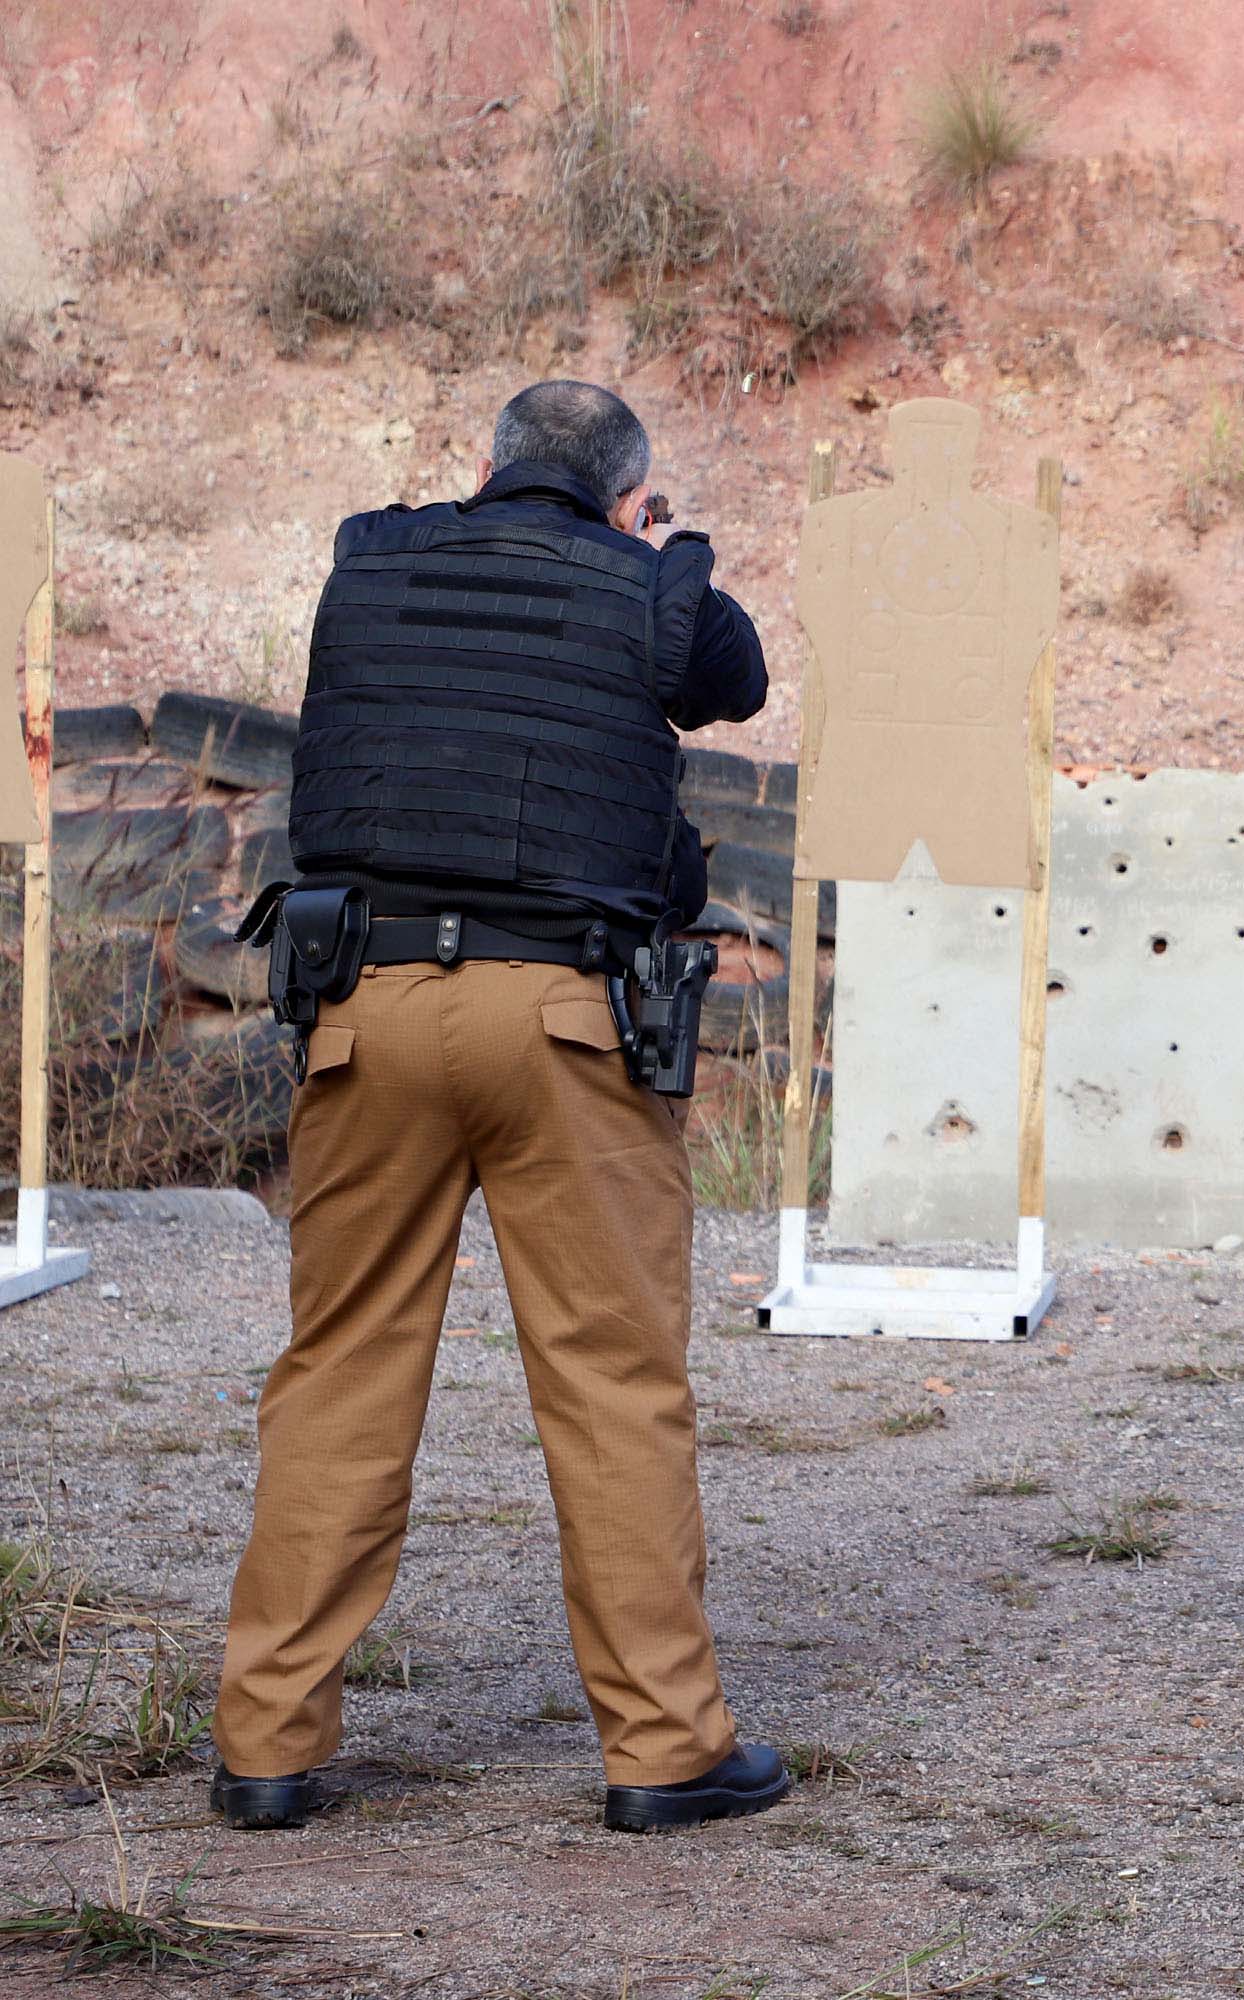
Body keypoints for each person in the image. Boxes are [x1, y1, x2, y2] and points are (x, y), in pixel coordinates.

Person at [210, 381, 790, 1834]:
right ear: (622, 496)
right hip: (564, 1021)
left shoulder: (370, 557)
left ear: (483, 466)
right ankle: (662, 1748)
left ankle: (266, 1743)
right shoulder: (648, 589)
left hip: (369, 1004)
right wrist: (659, 545)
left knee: (340, 1369)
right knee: (612, 1382)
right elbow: (737, 675)